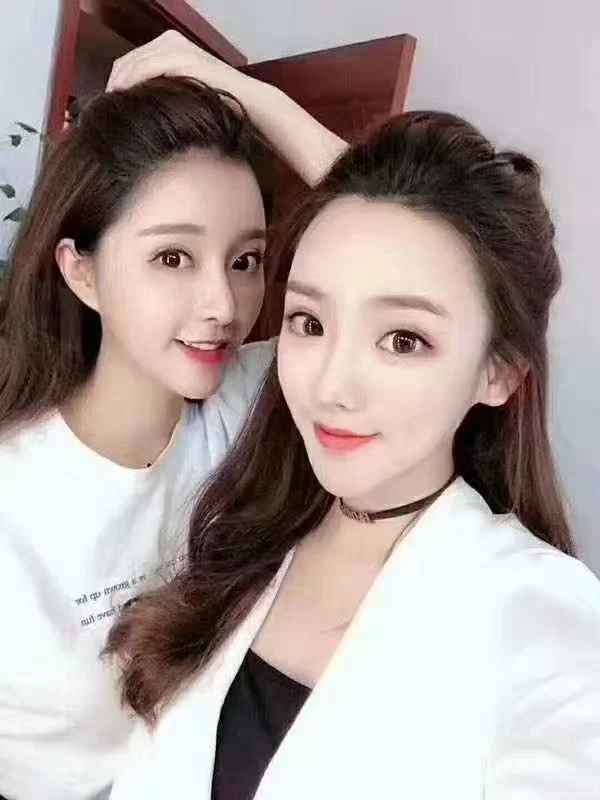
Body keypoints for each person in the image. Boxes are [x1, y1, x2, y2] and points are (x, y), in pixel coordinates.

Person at [107, 109, 600, 798]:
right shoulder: (244, 524)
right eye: (309, 322)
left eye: (403, 340)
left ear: (499, 372)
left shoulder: (540, 613)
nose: (331, 387)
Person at [0, 58, 345, 800]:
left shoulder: (251, 401)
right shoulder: (14, 499)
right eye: (173, 257)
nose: (223, 303)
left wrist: (256, 98)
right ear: (82, 272)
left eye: (246, 259)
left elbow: (418, 246)